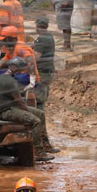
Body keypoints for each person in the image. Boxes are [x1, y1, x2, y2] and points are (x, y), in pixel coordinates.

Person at [0, 58, 53, 162]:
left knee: (41, 114)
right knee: (36, 121)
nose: (21, 71)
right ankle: (39, 152)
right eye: (20, 69)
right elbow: (20, 102)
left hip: (11, 107)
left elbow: (12, 95)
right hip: (9, 110)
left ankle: (46, 144)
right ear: (16, 68)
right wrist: (27, 112)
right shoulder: (11, 82)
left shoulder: (1, 78)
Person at [32, 17, 59, 154]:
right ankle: (43, 142)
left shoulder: (43, 39)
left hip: (42, 75)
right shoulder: (47, 37)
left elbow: (35, 57)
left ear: (38, 25)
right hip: (45, 74)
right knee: (39, 107)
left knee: (38, 108)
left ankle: (42, 143)